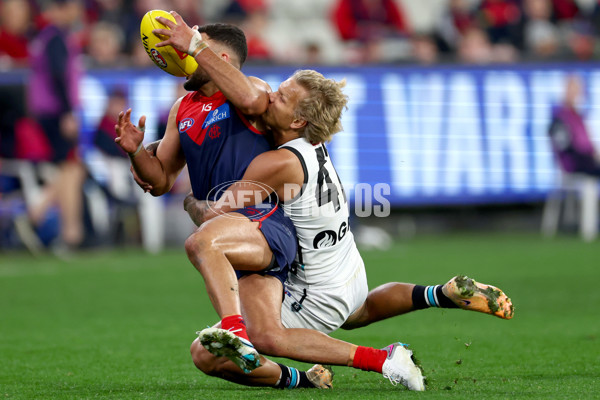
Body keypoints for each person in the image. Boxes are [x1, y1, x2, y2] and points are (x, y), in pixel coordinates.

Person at [144, 12, 514, 391]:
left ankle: (381, 360)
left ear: (299, 121)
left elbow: (215, 209)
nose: (270, 95)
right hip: (347, 263)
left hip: (315, 280)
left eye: (282, 97)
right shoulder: (309, 147)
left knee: (253, 341)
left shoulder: (278, 162)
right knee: (360, 310)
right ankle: (439, 293)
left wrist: (191, 201)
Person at [115, 22, 333, 390]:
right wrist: (137, 151)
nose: (182, 56)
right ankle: (315, 376)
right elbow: (160, 180)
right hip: (225, 229)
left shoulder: (256, 92)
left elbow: (250, 101)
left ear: (220, 57)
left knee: (205, 248)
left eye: (193, 48)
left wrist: (194, 43)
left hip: (262, 222)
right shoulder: (182, 108)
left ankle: (236, 332)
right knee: (230, 347)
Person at [23, 0, 86, 253]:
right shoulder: (56, 37)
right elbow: (59, 74)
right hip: (57, 112)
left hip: (46, 112)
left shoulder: (44, 37)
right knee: (71, 167)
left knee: (72, 168)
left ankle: (67, 229)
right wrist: (69, 112)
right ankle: (42, 216)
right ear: (63, 8)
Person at [548, 74, 600, 177]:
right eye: (571, 90)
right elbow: (567, 151)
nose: (575, 94)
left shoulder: (578, 116)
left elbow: (587, 144)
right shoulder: (560, 119)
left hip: (587, 162)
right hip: (576, 166)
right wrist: (591, 159)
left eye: (576, 91)